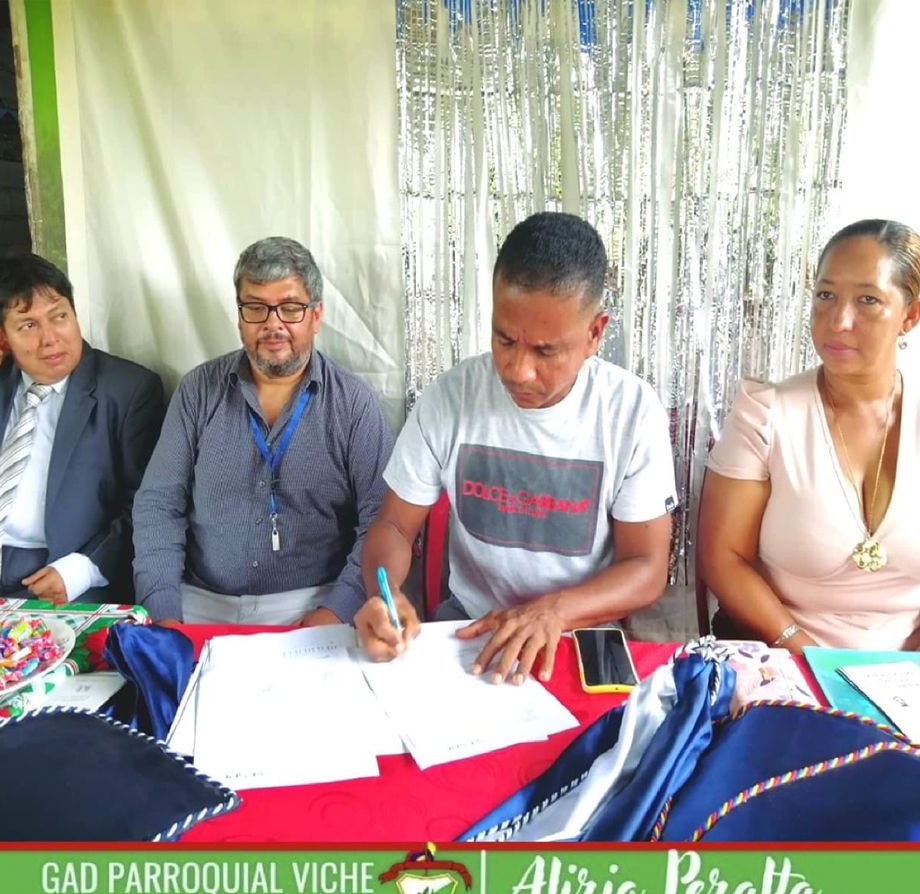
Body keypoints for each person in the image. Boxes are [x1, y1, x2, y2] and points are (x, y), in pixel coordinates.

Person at [355, 212, 677, 683]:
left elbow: (646, 567)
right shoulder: (452, 398)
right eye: (504, 339)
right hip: (470, 625)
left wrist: (554, 611)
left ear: (594, 333)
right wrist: (383, 595)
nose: (518, 371)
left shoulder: (630, 412)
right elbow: (395, 526)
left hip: (580, 631)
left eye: (546, 351)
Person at [133, 236, 391, 627]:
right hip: (202, 602)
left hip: (314, 602)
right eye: (255, 307)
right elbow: (158, 504)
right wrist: (162, 611)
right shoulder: (198, 391)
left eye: (290, 308)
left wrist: (337, 609)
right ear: (239, 316)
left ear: (316, 315)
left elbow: (380, 520)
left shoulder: (353, 404)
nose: (273, 324)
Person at [699, 219, 920, 651]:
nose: (839, 320)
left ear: (910, 315)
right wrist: (805, 652)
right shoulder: (765, 413)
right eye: (825, 295)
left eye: (868, 300)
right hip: (781, 656)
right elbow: (723, 558)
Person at [0, 253, 164, 602]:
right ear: (0, 335)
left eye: (59, 317)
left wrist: (86, 568)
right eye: (28, 325)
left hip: (59, 574)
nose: (50, 338)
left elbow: (148, 505)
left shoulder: (127, 390)